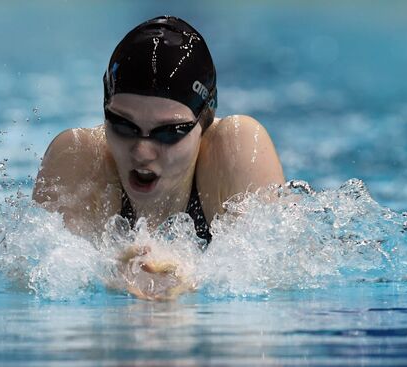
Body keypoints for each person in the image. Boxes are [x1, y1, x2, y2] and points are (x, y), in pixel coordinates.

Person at [32, 16, 284, 300]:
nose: (142, 151)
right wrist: (109, 276)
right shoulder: (79, 157)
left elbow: (276, 284)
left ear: (206, 121)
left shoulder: (234, 148)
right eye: (123, 126)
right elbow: (36, 285)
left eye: (168, 132)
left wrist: (191, 279)